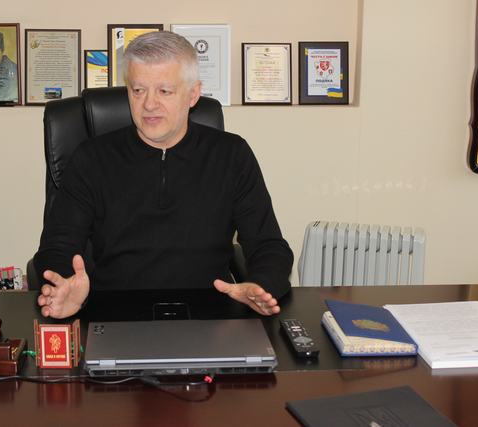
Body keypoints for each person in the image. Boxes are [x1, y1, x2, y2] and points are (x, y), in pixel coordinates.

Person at [34, 31, 293, 319]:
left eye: (164, 91)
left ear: (193, 94)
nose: (148, 104)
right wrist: (63, 285)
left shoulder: (231, 155)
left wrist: (261, 285)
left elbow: (269, 246)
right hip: (114, 316)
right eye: (138, 90)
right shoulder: (91, 158)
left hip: (210, 316)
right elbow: (57, 247)